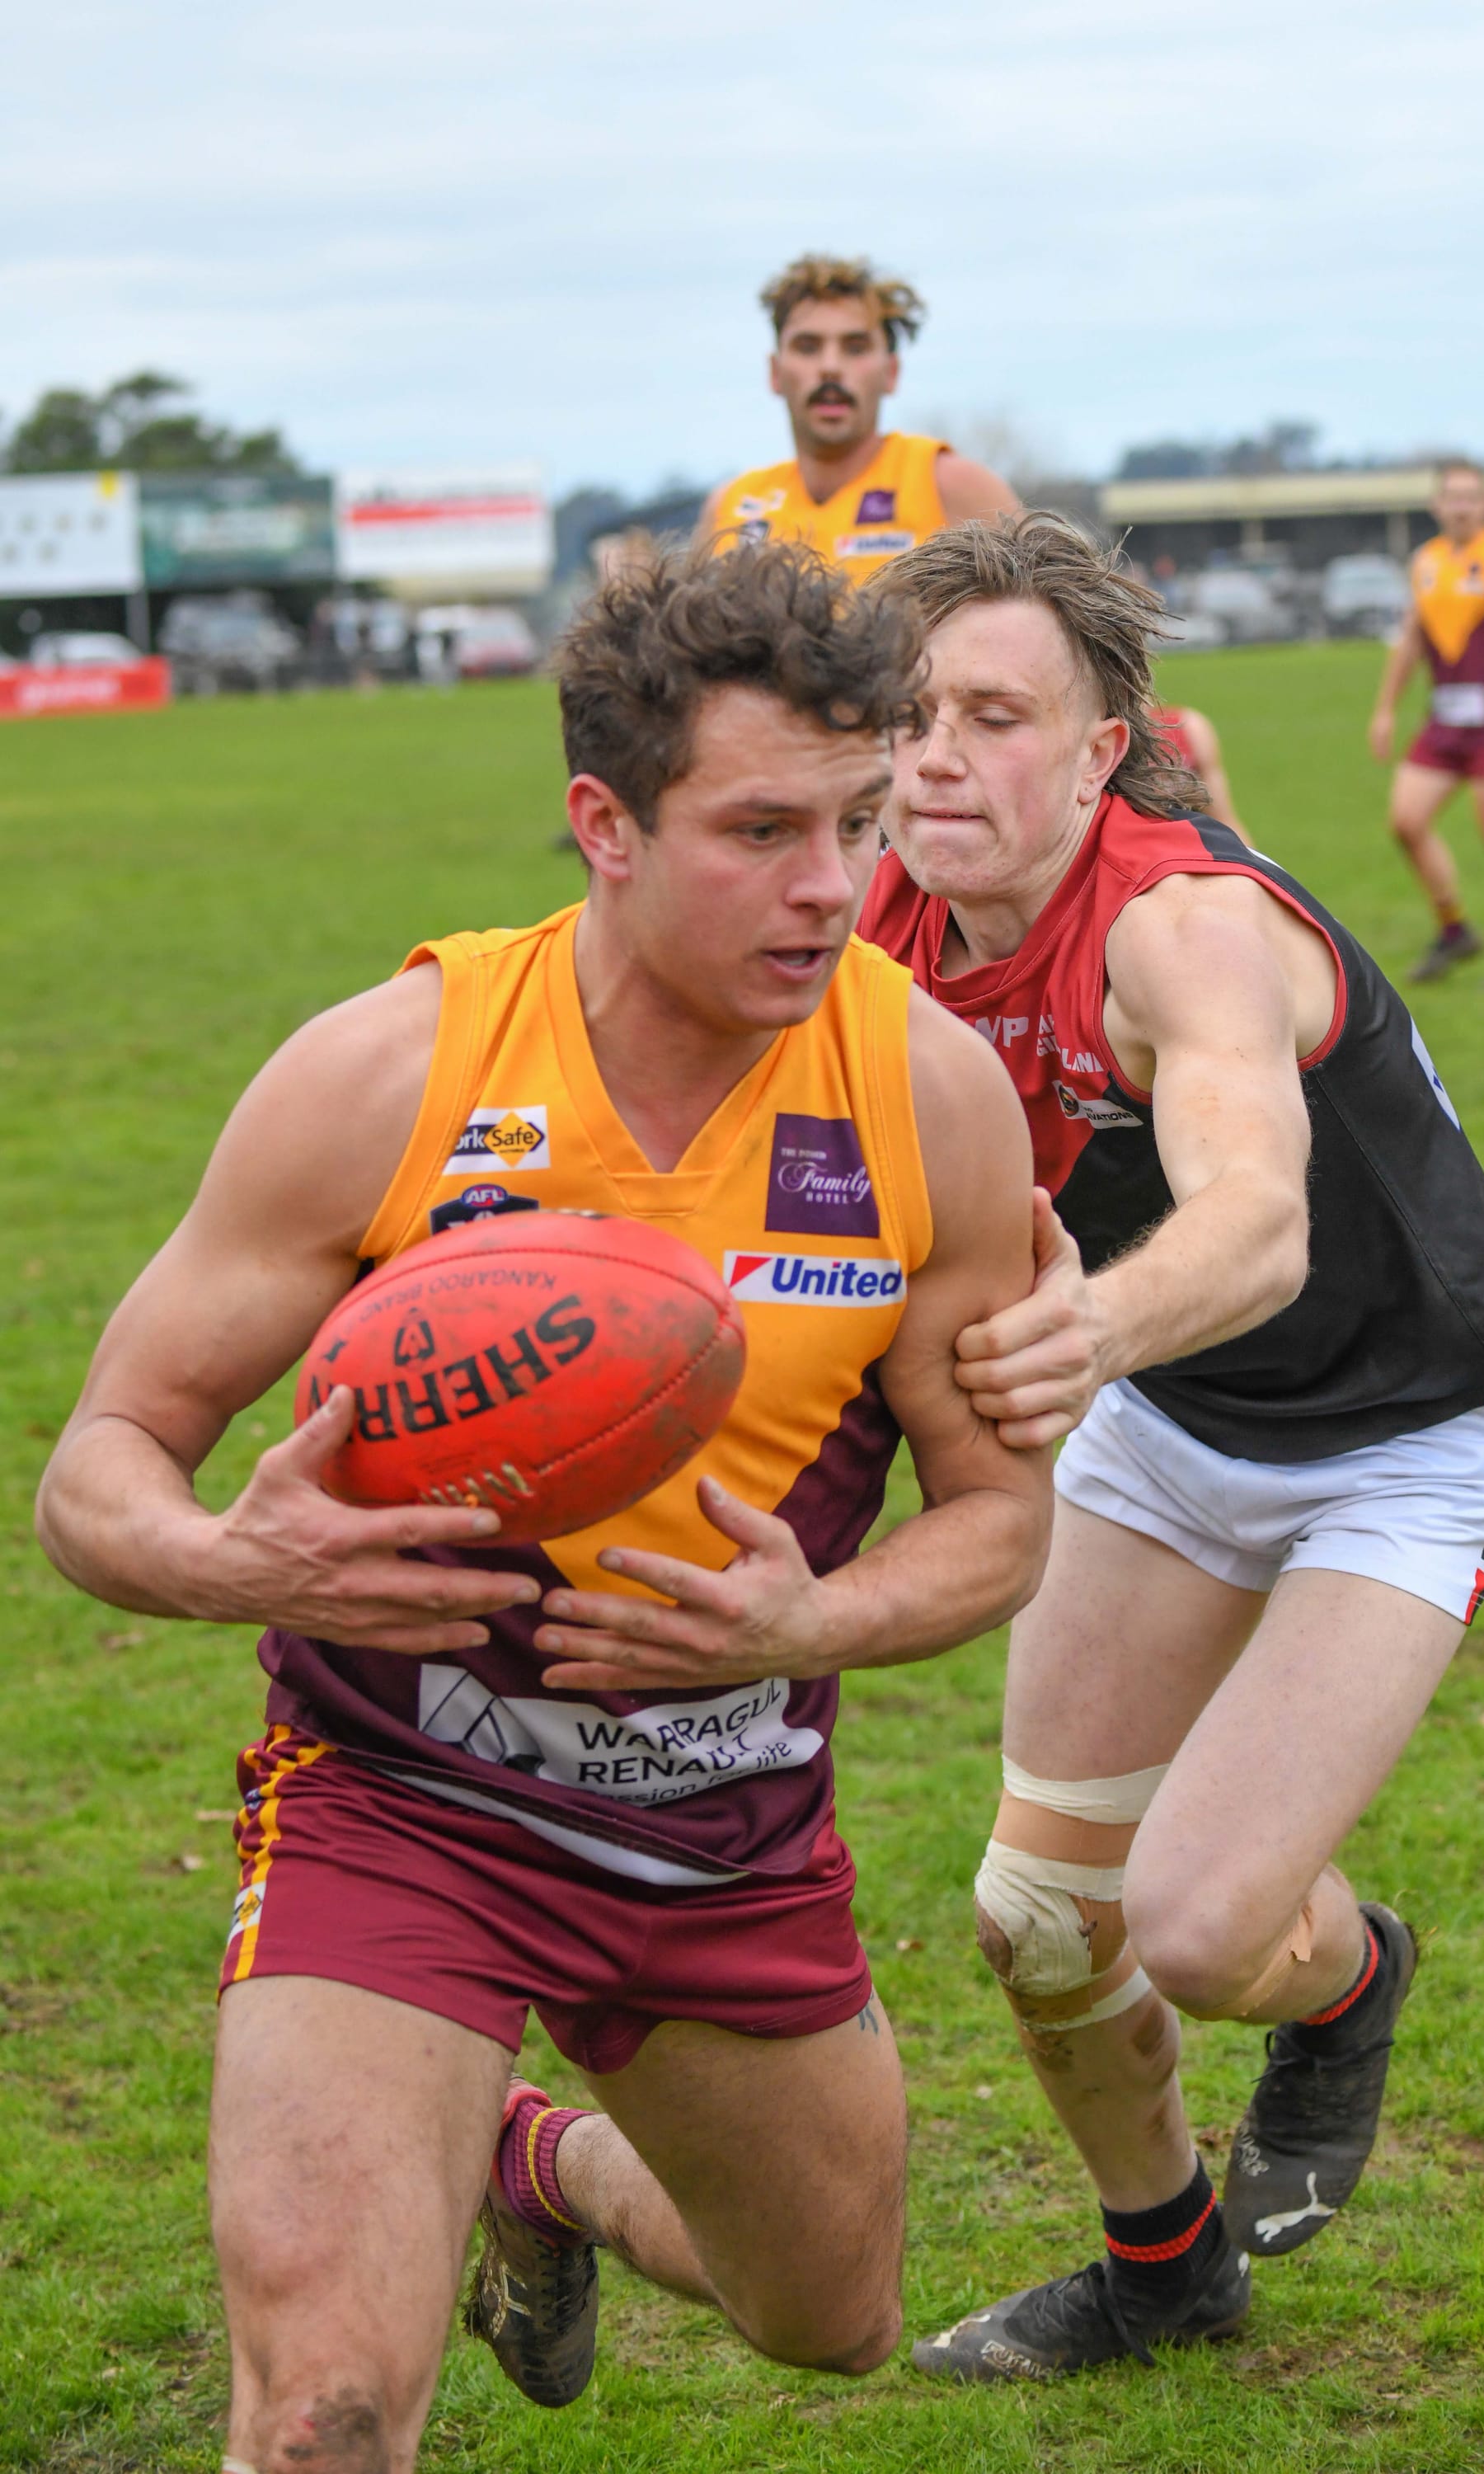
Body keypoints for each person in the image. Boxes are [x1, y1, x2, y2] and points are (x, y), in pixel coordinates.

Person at [35, 542, 1053, 2471]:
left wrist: (813, 1622)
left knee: (827, 2316)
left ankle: (546, 2170)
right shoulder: (390, 1075)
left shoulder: (924, 1096)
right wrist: (224, 1556)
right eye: (758, 829)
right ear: (603, 820)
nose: (833, 886)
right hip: (399, 1798)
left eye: (852, 821)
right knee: (325, 2410)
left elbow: (1001, 1516)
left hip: (720, 1814)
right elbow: (98, 1464)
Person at [859, 511, 1484, 2382]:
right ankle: (1162, 2263)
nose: (936, 753)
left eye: (993, 714)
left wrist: (1071, 1335)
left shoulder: (1184, 929)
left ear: (1102, 748)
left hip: (1404, 1433)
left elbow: (1250, 1220)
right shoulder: (879, 916)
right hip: (1181, 1419)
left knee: (1189, 1919)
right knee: (1030, 1911)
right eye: (909, 711)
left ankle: (1345, 1976)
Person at [696, 253, 1019, 578]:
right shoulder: (730, 506)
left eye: (855, 347)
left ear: (891, 372)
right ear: (775, 373)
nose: (830, 367)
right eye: (808, 347)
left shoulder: (952, 487)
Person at [1369, 459, 1484, 990]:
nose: (1460, 505)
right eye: (1451, 496)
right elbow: (1411, 642)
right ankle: (1455, 931)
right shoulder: (1425, 561)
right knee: (1406, 821)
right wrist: (1386, 708)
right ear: (1436, 504)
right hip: (1446, 721)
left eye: (1471, 496)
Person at [1153, 702, 1247, 840]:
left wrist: (1252, 859)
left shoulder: (1188, 728)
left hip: (1181, 848)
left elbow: (1223, 816)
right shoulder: (1112, 739)